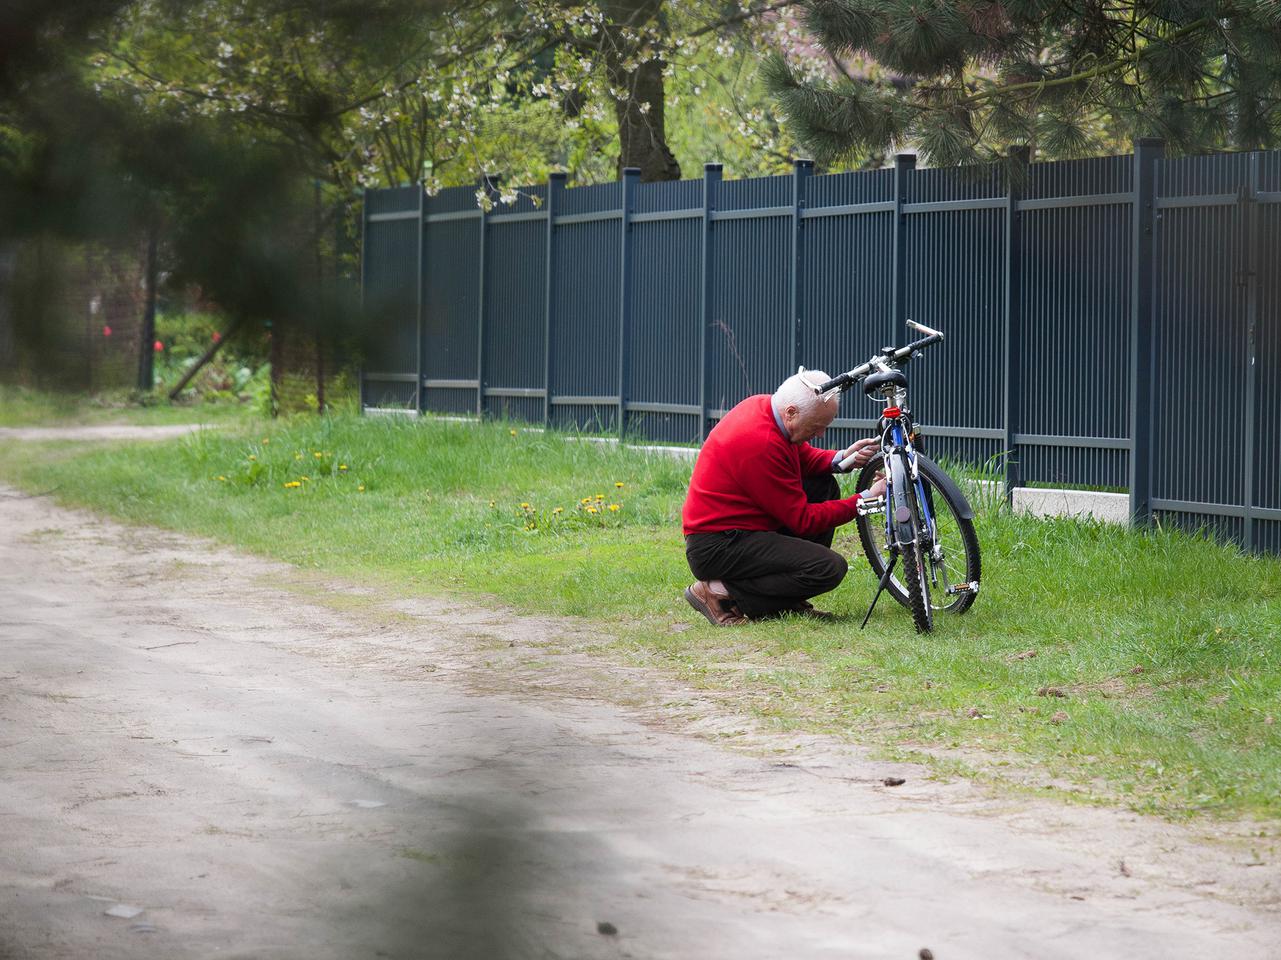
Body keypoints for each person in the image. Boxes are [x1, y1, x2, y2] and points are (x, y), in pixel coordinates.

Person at [681, 368, 882, 625]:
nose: (820, 434)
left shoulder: (764, 408)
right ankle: (719, 592)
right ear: (791, 413)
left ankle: (784, 599)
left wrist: (843, 458)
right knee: (828, 569)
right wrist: (865, 499)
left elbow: (799, 456)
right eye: (816, 427)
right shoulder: (760, 442)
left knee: (823, 486)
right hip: (719, 546)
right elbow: (803, 520)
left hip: (740, 529)